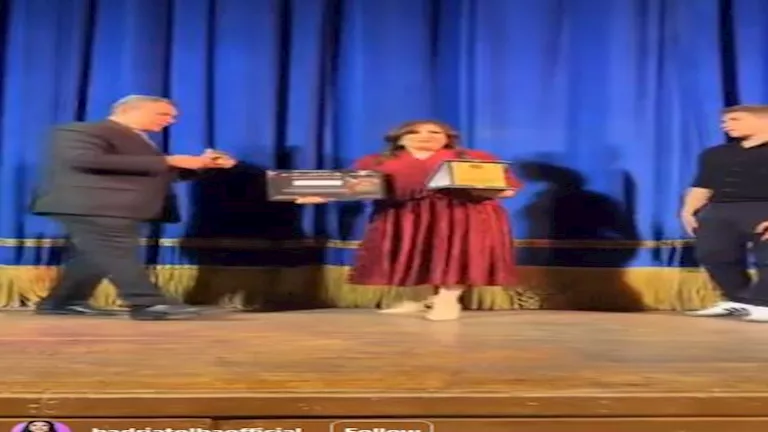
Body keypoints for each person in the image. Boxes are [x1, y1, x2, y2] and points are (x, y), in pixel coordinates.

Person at [30, 95, 237, 320]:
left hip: (115, 207)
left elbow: (152, 172)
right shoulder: (80, 131)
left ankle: (63, 302)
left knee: (95, 256)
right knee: (118, 253)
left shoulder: (140, 139)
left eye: (173, 117)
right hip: (92, 205)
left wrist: (202, 166)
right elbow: (84, 160)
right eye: (163, 114)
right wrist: (168, 161)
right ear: (130, 110)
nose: (170, 121)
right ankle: (148, 304)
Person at [296, 120, 520, 321]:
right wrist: (322, 194)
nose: (426, 136)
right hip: (405, 216)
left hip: (462, 214)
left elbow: (506, 188)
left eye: (435, 132)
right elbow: (353, 186)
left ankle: (448, 300)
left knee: (454, 257)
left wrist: (494, 189)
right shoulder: (376, 161)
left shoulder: (472, 158)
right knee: (417, 257)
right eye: (415, 132)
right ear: (399, 138)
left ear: (448, 138)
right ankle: (423, 300)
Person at [682, 105, 768, 322]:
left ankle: (765, 303)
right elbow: (702, 185)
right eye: (724, 121)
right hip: (720, 210)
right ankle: (739, 300)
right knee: (713, 254)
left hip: (764, 208)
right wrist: (688, 210)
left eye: (735, 120)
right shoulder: (715, 154)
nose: (725, 125)